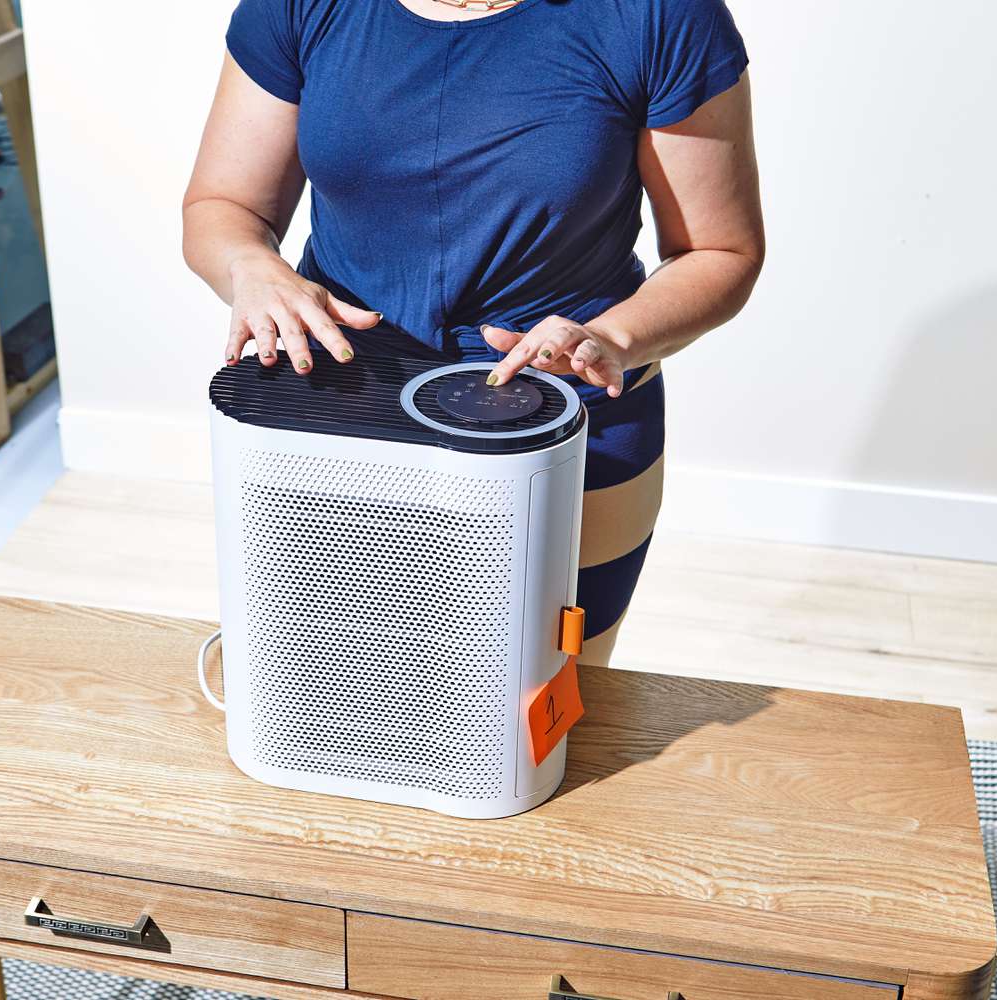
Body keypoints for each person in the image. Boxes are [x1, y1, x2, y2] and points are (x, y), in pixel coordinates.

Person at [183, 0, 764, 665]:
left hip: (564, 415)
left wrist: (612, 338)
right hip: (340, 405)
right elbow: (223, 205)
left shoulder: (659, 15)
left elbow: (719, 251)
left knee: (545, 703)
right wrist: (251, 267)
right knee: (339, 689)